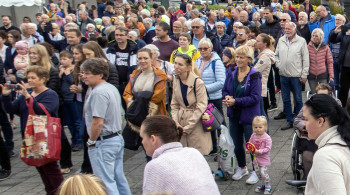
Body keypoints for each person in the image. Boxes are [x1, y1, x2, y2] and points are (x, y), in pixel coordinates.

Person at [1, 66, 64, 195]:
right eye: (28, 78)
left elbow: (42, 111)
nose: (29, 80)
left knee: (52, 170)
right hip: (31, 137)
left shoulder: (50, 94)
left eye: (33, 78)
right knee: (41, 169)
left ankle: (62, 192)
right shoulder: (28, 94)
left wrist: (28, 97)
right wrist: (5, 97)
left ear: (43, 79)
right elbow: (11, 109)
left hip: (46, 137)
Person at [82, 58, 131, 195]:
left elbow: (98, 122)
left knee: (105, 182)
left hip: (104, 142)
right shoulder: (111, 88)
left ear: (100, 74)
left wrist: (91, 141)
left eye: (87, 73)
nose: (84, 77)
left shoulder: (98, 93)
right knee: (118, 178)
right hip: (115, 138)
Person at [140, 115, 220, 194]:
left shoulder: (154, 166)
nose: (142, 142)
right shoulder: (193, 152)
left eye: (142, 138)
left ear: (153, 139)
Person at [222, 45, 261, 182]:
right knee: (236, 144)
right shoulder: (231, 71)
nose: (238, 59)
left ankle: (257, 171)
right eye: (237, 56)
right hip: (234, 114)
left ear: (249, 59)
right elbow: (225, 89)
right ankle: (242, 167)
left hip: (249, 115)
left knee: (251, 144)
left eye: (241, 57)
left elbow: (255, 97)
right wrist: (227, 98)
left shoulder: (254, 75)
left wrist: (235, 101)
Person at [303, 94, 350, 194]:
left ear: (320, 121)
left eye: (306, 119)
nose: (303, 124)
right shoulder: (344, 140)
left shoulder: (325, 156)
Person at [293, 83, 341, 180]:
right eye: (319, 96)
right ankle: (308, 178)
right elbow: (297, 120)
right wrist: (306, 124)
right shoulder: (309, 104)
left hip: (329, 137)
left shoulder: (336, 104)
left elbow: (341, 122)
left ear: (330, 96)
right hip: (310, 136)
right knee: (307, 156)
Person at [171, 53, 211, 155]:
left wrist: (189, 126)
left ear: (188, 68)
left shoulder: (198, 82)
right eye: (175, 63)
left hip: (195, 123)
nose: (176, 66)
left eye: (180, 64)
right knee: (182, 156)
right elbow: (174, 104)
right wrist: (176, 123)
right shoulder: (176, 80)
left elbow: (201, 106)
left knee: (197, 155)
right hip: (181, 122)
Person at [275, 22, 309, 130]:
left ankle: (299, 120)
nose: (287, 30)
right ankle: (289, 120)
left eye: (289, 29)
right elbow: (276, 55)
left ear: (295, 29)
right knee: (285, 99)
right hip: (283, 75)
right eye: (285, 29)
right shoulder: (281, 40)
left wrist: (304, 74)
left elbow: (305, 59)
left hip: (296, 75)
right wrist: (278, 64)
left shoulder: (301, 41)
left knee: (298, 99)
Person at [196, 38, 226, 154]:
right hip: (202, 98)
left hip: (214, 98)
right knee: (207, 124)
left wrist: (203, 89)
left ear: (211, 49)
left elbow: (221, 82)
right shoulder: (198, 61)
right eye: (200, 49)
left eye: (205, 48)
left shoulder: (216, 62)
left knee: (218, 124)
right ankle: (213, 147)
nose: (202, 51)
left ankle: (224, 146)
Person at [59, 51, 83, 151]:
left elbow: (73, 82)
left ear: (71, 59)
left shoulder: (73, 69)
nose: (62, 61)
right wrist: (60, 74)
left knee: (76, 121)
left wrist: (68, 73)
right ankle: (73, 140)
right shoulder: (60, 69)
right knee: (69, 122)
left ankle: (79, 141)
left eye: (65, 59)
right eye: (61, 59)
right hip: (64, 99)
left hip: (72, 98)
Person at [246, 116, 272, 194]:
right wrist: (248, 149)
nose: (257, 129)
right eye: (255, 127)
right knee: (258, 173)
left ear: (265, 127)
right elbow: (250, 143)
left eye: (260, 127)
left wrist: (258, 151)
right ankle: (262, 184)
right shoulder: (253, 135)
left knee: (264, 173)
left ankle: (268, 185)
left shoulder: (267, 138)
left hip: (264, 159)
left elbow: (268, 148)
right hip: (255, 159)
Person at [307, 28, 333, 94]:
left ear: (320, 37)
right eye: (313, 35)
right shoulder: (308, 47)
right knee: (314, 94)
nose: (314, 37)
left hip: (323, 74)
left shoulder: (326, 47)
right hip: (311, 74)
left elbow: (329, 62)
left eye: (316, 36)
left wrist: (331, 76)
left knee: (324, 94)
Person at [255, 33, 275, 116]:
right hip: (259, 85)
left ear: (264, 44)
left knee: (262, 113)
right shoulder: (261, 54)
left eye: (258, 41)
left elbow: (255, 70)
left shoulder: (265, 56)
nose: (255, 43)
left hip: (260, 86)